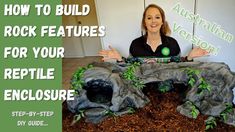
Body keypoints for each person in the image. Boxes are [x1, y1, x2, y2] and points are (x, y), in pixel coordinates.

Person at [99, 4, 208, 63]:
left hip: (168, 91)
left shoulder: (172, 43)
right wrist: (119, 58)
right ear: (144, 22)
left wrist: (189, 57)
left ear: (162, 21)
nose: (153, 21)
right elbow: (130, 66)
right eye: (149, 18)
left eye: (157, 17)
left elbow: (179, 66)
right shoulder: (135, 44)